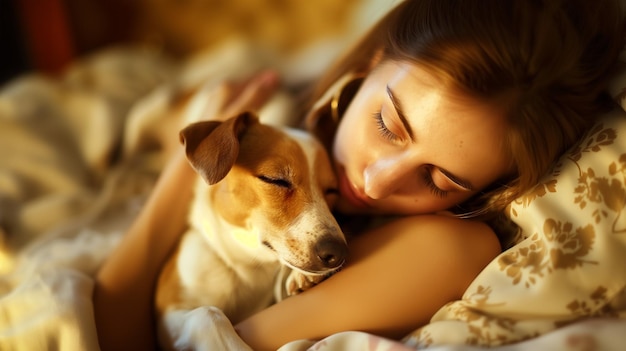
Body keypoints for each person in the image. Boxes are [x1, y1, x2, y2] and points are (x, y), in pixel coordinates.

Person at [93, 0, 625, 350]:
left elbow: (123, 337)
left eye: (439, 180)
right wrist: (189, 169)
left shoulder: (446, 248)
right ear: (370, 64)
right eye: (387, 125)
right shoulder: (262, 124)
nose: (374, 182)